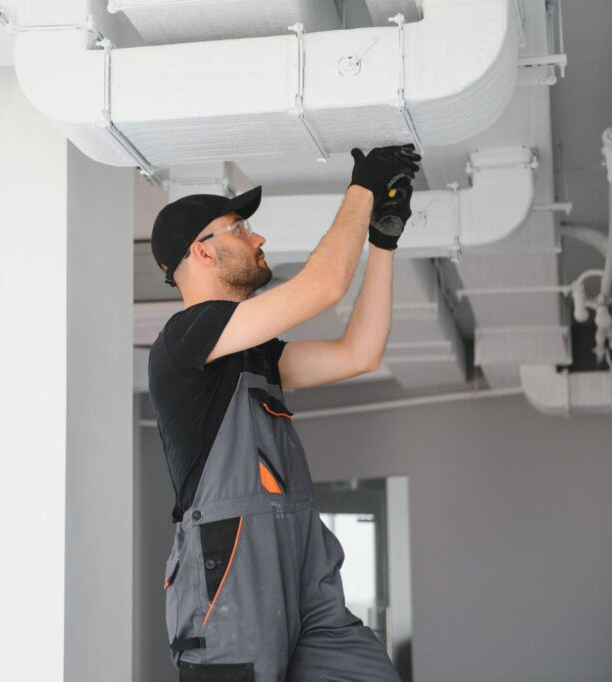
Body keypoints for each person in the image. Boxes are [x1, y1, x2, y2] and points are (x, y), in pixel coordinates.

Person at [148, 145, 420, 682]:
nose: (258, 237)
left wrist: (382, 240)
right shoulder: (185, 339)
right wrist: (361, 189)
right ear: (201, 253)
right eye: (240, 227)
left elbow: (358, 353)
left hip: (299, 562)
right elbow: (323, 287)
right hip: (232, 574)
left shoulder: (253, 351)